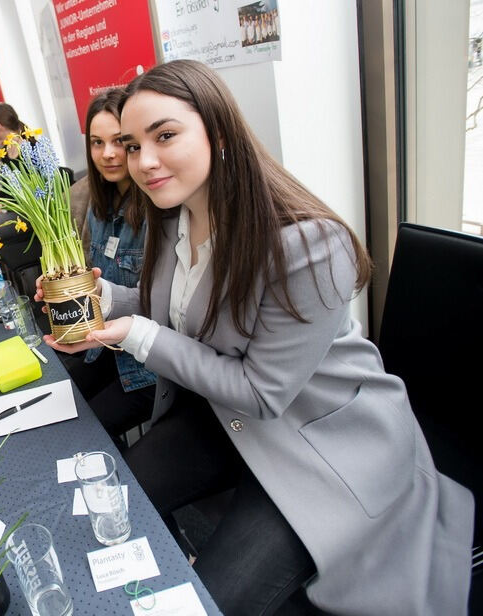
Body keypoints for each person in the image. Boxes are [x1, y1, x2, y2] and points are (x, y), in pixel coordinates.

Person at [37, 60, 473, 614]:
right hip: (223, 417)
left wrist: (134, 335)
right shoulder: (175, 219)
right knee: (109, 504)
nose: (142, 161)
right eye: (131, 143)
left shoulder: (309, 245)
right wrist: (98, 305)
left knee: (213, 600)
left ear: (217, 132)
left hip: (315, 444)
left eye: (164, 136)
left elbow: (264, 394)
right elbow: (170, 309)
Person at [77, 89, 158, 446]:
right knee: (65, 402)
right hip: (103, 348)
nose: (107, 154)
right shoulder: (99, 206)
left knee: (88, 430)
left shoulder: (158, 209)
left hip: (145, 368)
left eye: (119, 142)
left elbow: (163, 304)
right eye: (97, 143)